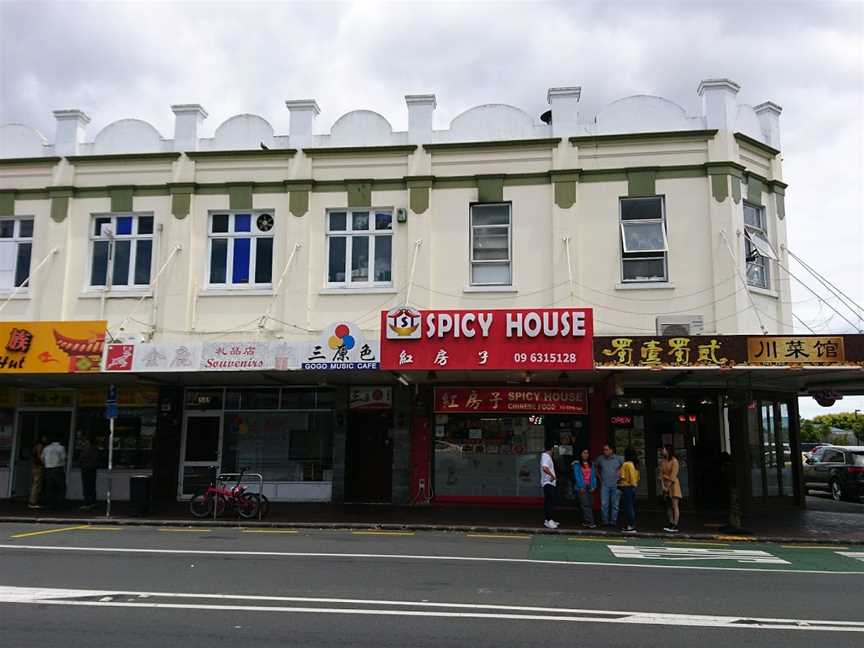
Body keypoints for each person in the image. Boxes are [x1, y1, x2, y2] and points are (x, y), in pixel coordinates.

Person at [595, 444, 623, 527]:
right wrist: (600, 478)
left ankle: (613, 522)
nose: (605, 451)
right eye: (604, 450)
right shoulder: (600, 458)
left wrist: (620, 474)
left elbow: (625, 466)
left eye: (606, 450)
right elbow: (595, 466)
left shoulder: (619, 458)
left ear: (611, 450)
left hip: (616, 485)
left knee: (615, 505)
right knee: (604, 504)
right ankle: (605, 521)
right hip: (605, 485)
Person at [571, 449, 597, 528]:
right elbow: (577, 476)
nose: (586, 454)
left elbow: (593, 476)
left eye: (587, 453)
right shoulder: (577, 464)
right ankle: (591, 522)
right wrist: (581, 486)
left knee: (590, 504)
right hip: (582, 486)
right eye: (584, 453)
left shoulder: (591, 464)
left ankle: (586, 521)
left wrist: (593, 486)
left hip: (590, 486)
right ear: (580, 454)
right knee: (585, 504)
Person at [660, 444, 682, 533]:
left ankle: (675, 524)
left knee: (674, 505)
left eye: (664, 449)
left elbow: (673, 475)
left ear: (668, 450)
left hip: (673, 485)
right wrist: (663, 486)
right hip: (665, 484)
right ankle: (670, 522)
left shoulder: (674, 461)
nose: (662, 451)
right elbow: (660, 474)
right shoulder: (663, 461)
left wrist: (667, 487)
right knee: (668, 506)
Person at [619, 447, 640, 533]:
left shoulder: (626, 464)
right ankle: (631, 525)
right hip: (633, 487)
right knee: (631, 506)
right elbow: (637, 477)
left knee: (628, 507)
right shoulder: (635, 465)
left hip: (627, 486)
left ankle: (631, 525)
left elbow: (622, 476)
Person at [41, 438, 67, 510]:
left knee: (49, 488)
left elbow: (42, 458)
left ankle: (49, 505)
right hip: (58, 469)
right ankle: (60, 505)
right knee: (61, 487)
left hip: (48, 469)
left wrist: (47, 464)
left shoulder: (46, 448)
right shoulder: (61, 448)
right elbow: (63, 458)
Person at [540, 441, 559, 529]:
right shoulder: (546, 456)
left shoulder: (545, 456)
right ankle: (549, 520)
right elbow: (545, 468)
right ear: (551, 449)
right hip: (548, 482)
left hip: (548, 483)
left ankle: (548, 520)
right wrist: (552, 476)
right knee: (550, 502)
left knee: (549, 501)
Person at [79, 436, 100, 510]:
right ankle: (93, 502)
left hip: (86, 469)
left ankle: (87, 503)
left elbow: (81, 458)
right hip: (93, 469)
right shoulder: (96, 449)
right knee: (92, 485)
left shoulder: (85, 450)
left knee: (86, 486)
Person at [28, 437, 47, 509]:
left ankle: (34, 501)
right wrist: (44, 463)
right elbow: (39, 456)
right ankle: (33, 502)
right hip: (38, 466)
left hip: (35, 466)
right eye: (44, 438)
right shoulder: (40, 446)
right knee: (37, 484)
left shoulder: (36, 446)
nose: (46, 439)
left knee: (36, 483)